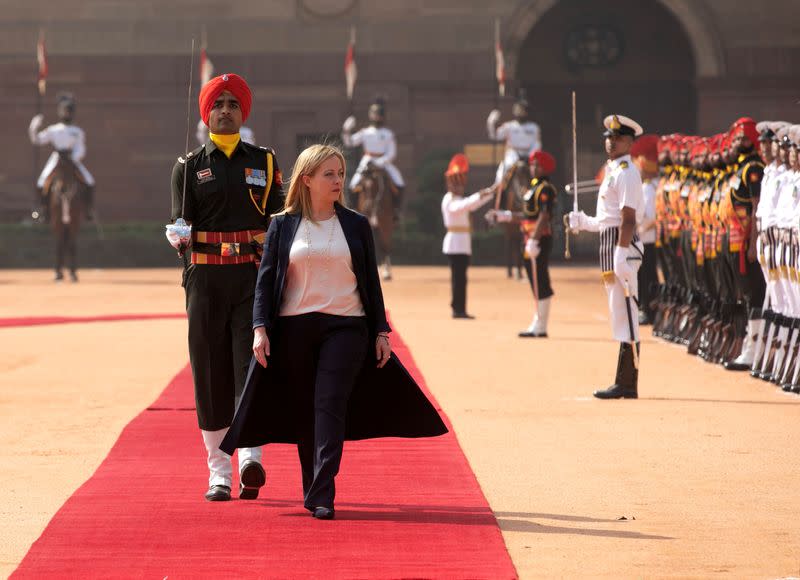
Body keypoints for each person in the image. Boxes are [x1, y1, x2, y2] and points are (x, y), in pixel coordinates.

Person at [219, 144, 448, 520]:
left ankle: (323, 492)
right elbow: (266, 282)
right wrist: (260, 327)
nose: (338, 180)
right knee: (305, 414)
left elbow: (371, 283)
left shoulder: (356, 224)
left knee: (329, 406)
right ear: (307, 180)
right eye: (329, 174)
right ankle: (313, 486)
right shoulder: (282, 224)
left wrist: (380, 331)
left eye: (341, 173)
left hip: (347, 328)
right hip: (294, 329)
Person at [169, 73, 285, 502]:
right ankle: (218, 471)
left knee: (250, 367)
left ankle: (250, 458)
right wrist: (177, 236)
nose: (226, 110)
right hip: (205, 280)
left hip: (250, 280)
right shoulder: (188, 167)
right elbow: (182, 227)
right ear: (206, 114)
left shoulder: (265, 162)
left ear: (243, 113)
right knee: (210, 373)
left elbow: (279, 219)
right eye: (218, 104)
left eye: (234, 104)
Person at [569, 115, 645, 399]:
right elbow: (607, 220)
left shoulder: (626, 172)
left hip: (622, 248)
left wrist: (622, 253)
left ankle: (628, 383)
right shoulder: (613, 169)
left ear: (629, 142)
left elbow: (627, 219)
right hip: (611, 245)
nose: (611, 142)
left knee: (627, 315)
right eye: (608, 137)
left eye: (618, 138)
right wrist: (583, 222)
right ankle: (622, 380)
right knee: (619, 315)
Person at [488, 150, 557, 337]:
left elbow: (544, 216)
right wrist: (505, 216)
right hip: (529, 238)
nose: (533, 168)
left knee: (540, 278)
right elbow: (526, 216)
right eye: (532, 164)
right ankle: (538, 321)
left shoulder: (545, 189)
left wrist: (534, 239)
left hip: (539, 239)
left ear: (544, 168)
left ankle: (541, 325)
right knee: (534, 280)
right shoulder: (532, 188)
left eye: (537, 165)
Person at [440, 154, 496, 319]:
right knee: (458, 279)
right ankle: (457, 309)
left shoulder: (458, 198)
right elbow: (465, 205)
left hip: (462, 243)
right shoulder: (449, 199)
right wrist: (481, 194)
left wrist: (490, 193)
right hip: (454, 243)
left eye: (460, 183)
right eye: (456, 183)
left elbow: (473, 205)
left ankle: (459, 307)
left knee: (461, 279)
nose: (459, 187)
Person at [28, 92, 96, 222]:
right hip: (57, 158)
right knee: (41, 182)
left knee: (90, 181)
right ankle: (41, 209)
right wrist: (34, 127)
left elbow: (81, 148)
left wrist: (75, 157)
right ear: (60, 112)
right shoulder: (54, 130)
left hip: (72, 159)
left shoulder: (78, 131)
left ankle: (89, 209)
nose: (66, 114)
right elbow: (37, 140)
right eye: (64, 111)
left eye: (69, 111)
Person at [341, 98, 405, 222]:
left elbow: (392, 153)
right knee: (353, 184)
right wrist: (346, 130)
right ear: (370, 115)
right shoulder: (365, 132)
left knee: (399, 182)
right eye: (374, 114)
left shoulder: (388, 134)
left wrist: (380, 162)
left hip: (384, 162)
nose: (376, 117)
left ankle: (396, 210)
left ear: (382, 116)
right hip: (367, 162)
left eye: (378, 115)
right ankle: (352, 209)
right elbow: (349, 143)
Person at [632, 135, 661, 325]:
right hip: (643, 238)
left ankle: (649, 310)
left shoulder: (650, 188)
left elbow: (654, 218)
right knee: (642, 276)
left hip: (648, 238)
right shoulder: (646, 187)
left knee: (648, 277)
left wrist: (639, 230)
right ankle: (645, 308)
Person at [486, 96, 542, 189]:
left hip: (529, 156)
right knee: (503, 169)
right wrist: (491, 122)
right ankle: (497, 188)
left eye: (522, 110)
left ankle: (539, 191)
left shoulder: (534, 127)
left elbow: (537, 144)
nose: (520, 112)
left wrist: (530, 155)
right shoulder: (509, 126)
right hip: (513, 155)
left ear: (527, 112)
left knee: (538, 171)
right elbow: (495, 135)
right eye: (518, 110)